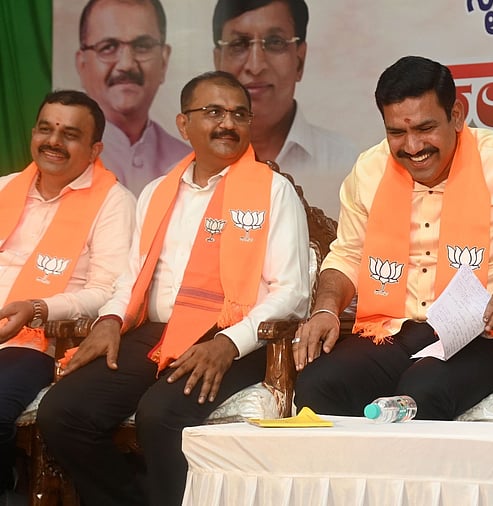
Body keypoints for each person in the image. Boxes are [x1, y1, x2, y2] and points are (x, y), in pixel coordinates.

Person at [38, 71, 310, 506]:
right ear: (184, 125)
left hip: (232, 338)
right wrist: (109, 319)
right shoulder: (156, 192)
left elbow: (293, 293)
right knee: (63, 413)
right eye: (214, 112)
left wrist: (227, 343)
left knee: (161, 415)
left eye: (240, 114)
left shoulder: (273, 192)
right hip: (156, 332)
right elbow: (132, 276)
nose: (228, 124)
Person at [292, 55, 493, 421]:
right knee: (319, 384)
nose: (412, 146)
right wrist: (325, 309)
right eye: (397, 132)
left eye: (425, 128)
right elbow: (348, 255)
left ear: (456, 115)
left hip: (480, 336)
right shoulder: (369, 169)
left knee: (422, 393)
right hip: (390, 330)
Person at [0, 90, 134, 500]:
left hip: (39, 343)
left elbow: (108, 290)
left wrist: (39, 309)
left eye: (70, 134)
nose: (53, 141)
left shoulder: (114, 202)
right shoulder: (5, 188)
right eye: (46, 128)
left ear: (95, 149)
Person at [212, 0, 360, 219]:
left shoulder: (347, 162)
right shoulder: (190, 170)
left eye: (274, 42)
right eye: (239, 44)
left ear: (299, 61)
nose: (255, 65)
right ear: (218, 61)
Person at [76, 0, 191, 194]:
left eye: (142, 46)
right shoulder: (62, 157)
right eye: (108, 47)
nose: (126, 64)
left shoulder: (189, 163)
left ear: (163, 61)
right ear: (82, 65)